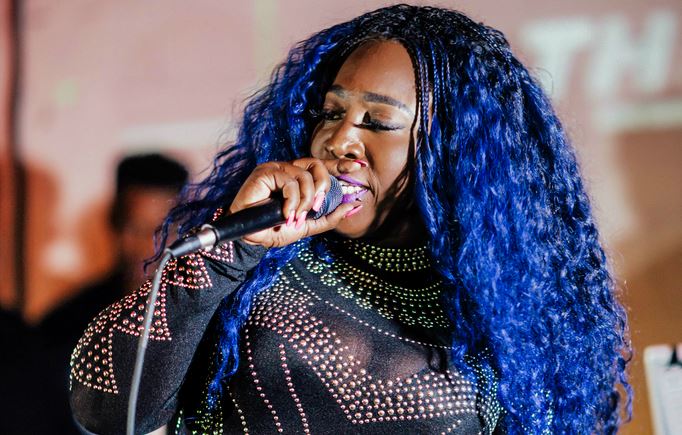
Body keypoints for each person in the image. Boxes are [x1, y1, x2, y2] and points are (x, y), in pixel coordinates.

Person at [69, 5, 631, 434]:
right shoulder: (257, 270)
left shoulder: (509, 315)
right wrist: (228, 251)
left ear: (455, 152)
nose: (339, 140)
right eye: (332, 112)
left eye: (377, 122)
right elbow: (102, 405)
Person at [39, 153, 188, 433]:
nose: (148, 248)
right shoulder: (63, 327)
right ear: (114, 224)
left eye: (162, 232)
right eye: (135, 229)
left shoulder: (208, 319)